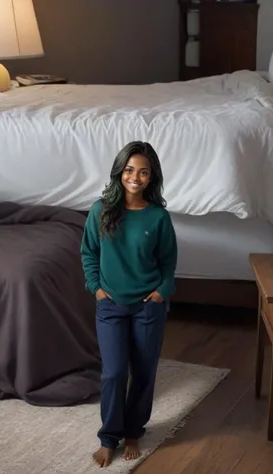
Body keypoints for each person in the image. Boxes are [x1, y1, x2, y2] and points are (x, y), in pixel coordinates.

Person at [81, 141, 178, 468]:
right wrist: (96, 289)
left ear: (152, 178)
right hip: (110, 305)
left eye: (143, 172)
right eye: (129, 170)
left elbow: (168, 262)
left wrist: (162, 291)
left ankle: (134, 431)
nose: (135, 177)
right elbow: (89, 254)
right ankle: (109, 437)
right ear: (120, 172)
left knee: (144, 372)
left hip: (148, 306)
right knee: (113, 373)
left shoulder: (158, 217)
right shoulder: (101, 211)